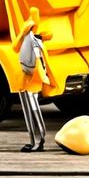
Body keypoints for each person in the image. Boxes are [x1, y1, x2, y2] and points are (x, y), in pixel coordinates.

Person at [16, 11, 53, 152]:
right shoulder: (28, 39)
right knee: (30, 108)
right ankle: (36, 141)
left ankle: (38, 141)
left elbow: (38, 62)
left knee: (32, 108)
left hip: (33, 79)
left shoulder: (35, 42)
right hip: (28, 78)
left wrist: (38, 78)